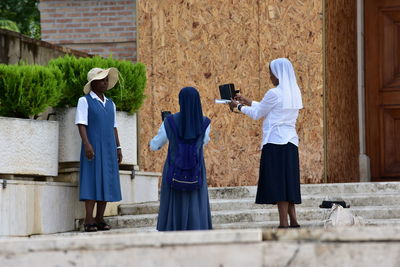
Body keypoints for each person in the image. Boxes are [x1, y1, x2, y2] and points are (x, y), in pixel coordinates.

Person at [229, 58, 303, 228]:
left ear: (278, 74)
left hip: (274, 142)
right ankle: (294, 221)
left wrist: (238, 107)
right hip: (291, 141)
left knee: (278, 183)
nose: (270, 76)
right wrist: (246, 100)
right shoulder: (294, 92)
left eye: (271, 72)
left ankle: (283, 223)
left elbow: (258, 113)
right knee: (289, 182)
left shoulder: (274, 93)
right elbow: (267, 107)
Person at [150, 86, 212, 231]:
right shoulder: (205, 123)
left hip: (174, 168)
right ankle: (196, 227)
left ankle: (174, 228)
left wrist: (152, 142)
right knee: (196, 198)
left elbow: (156, 145)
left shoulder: (169, 121)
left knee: (175, 199)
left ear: (180, 101)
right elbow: (204, 141)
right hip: (196, 169)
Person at [75, 67, 123, 232]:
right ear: (93, 83)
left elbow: (114, 127)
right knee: (92, 181)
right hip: (93, 147)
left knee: (107, 182)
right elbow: (81, 124)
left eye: (106, 79)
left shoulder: (111, 104)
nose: (105, 82)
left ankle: (100, 218)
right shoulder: (84, 101)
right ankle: (88, 220)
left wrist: (118, 147)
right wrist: (87, 145)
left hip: (109, 148)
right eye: (102, 80)